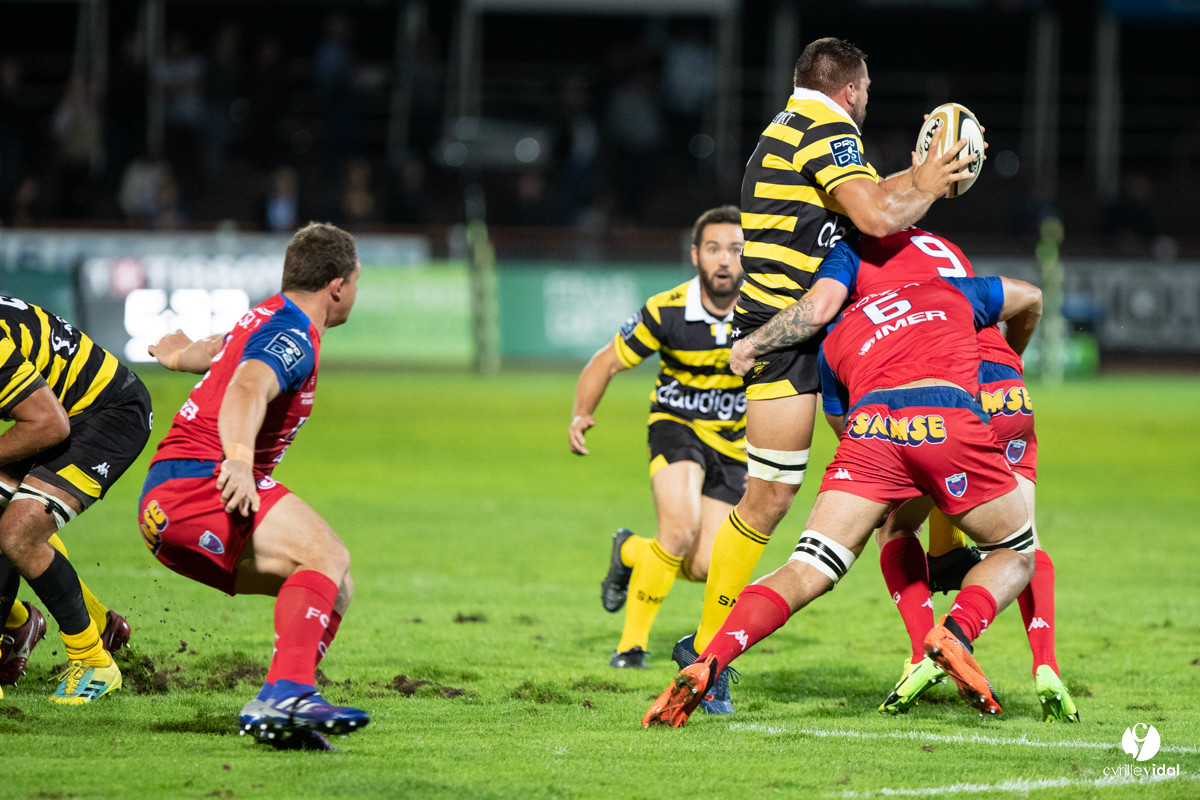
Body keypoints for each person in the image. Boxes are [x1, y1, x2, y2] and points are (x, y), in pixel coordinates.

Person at [673, 36, 980, 714]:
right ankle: (706, 650)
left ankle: (941, 580)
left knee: (890, 466)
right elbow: (874, 214)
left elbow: (868, 203)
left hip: (825, 333)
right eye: (866, 91)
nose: (867, 103)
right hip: (792, 337)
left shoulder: (793, 127)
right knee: (773, 499)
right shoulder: (826, 128)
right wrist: (928, 180)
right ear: (851, 89)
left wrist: (919, 179)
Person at [644, 235, 1042, 727]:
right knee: (1017, 552)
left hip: (871, 431)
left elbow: (842, 427)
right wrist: (1013, 354)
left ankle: (710, 660)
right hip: (947, 420)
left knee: (807, 568)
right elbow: (1031, 297)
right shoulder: (955, 291)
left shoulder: (836, 336)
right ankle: (954, 633)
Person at [808, 231, 1075, 722]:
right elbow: (1026, 297)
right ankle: (1046, 667)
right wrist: (1012, 358)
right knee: (1019, 540)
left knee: (894, 522)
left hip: (936, 387)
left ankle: (920, 654)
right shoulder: (944, 246)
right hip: (1005, 383)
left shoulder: (855, 251)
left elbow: (837, 317)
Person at [141, 222, 368, 750]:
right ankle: (285, 694)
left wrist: (176, 356)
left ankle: (281, 717)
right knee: (327, 555)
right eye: (357, 281)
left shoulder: (265, 315)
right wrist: (240, 463)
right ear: (337, 286)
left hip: (166, 511)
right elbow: (246, 386)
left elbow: (222, 355)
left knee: (335, 587)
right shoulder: (294, 336)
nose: (356, 291)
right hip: (201, 485)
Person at [570, 206, 746, 680]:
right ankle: (632, 646)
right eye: (714, 249)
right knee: (678, 528)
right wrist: (582, 413)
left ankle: (628, 551)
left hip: (734, 447)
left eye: (734, 248)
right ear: (695, 255)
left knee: (706, 565)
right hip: (677, 427)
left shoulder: (765, 310)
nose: (724, 260)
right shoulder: (667, 309)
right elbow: (606, 361)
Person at [0, 295, 151, 703]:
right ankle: (43, 625)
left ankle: (92, 660)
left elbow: (48, 423)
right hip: (50, 412)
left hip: (104, 413)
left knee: (18, 532)